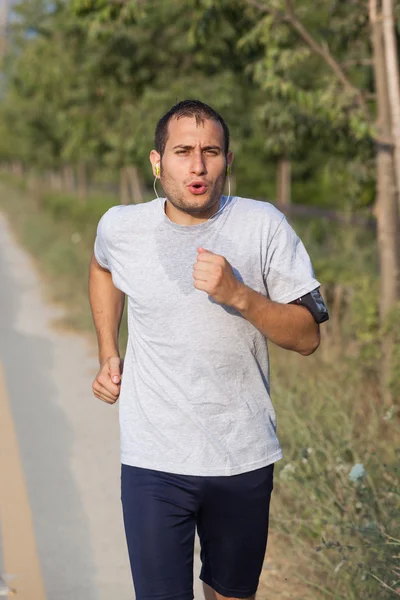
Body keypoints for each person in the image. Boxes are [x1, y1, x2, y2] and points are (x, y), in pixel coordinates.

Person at [89, 100, 329, 600]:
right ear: (157, 162)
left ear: (228, 161)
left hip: (242, 457)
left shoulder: (262, 226)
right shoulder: (122, 226)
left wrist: (240, 295)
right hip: (153, 459)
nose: (197, 166)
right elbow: (102, 267)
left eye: (210, 152)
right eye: (182, 152)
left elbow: (307, 337)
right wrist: (108, 350)